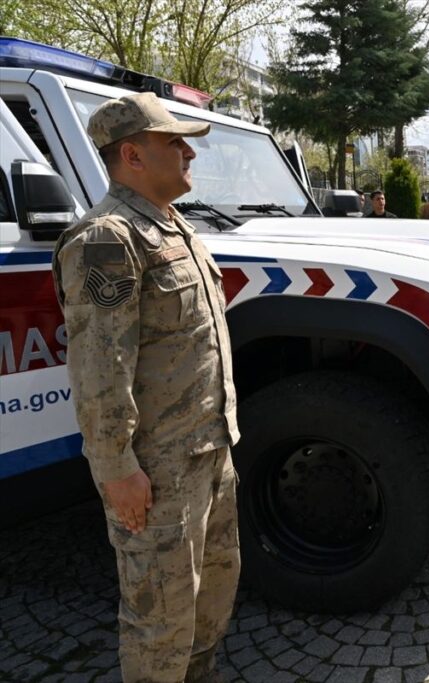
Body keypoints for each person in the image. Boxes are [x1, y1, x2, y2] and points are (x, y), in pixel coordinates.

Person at [52, 92, 240, 681]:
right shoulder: (107, 241)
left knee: (211, 600)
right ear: (131, 155)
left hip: (209, 453)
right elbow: (98, 367)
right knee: (160, 622)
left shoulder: (174, 228)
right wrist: (115, 469)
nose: (188, 152)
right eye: (174, 142)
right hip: (156, 474)